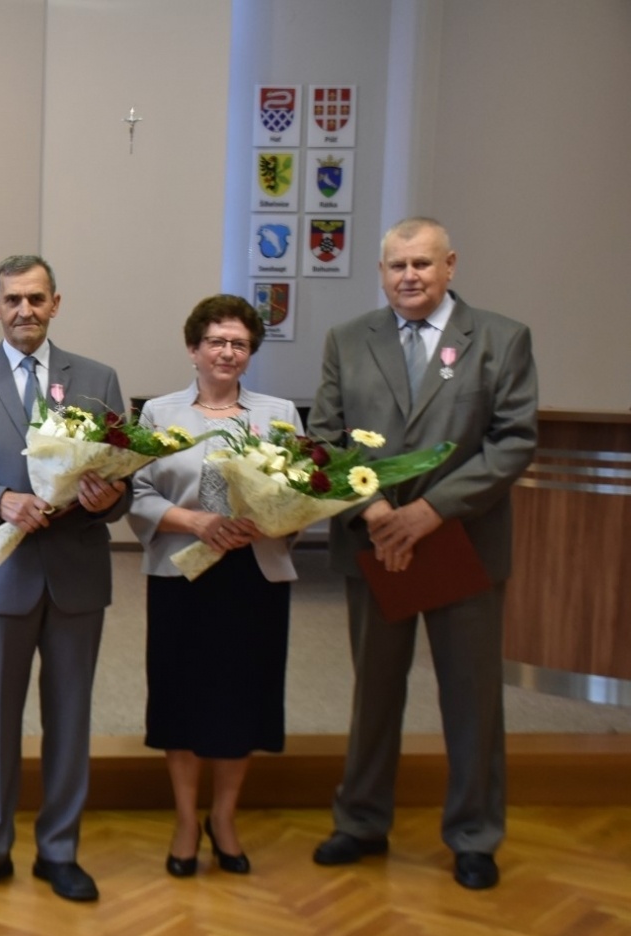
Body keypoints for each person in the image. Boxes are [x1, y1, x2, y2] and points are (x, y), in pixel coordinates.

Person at [309, 217, 538, 891]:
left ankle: (474, 834)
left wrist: (430, 510)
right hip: (376, 542)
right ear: (381, 272)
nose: (408, 275)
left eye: (422, 263)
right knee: (374, 693)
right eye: (396, 265)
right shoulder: (348, 341)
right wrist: (374, 509)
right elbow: (324, 438)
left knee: (471, 699)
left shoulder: (500, 339)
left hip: (460, 543)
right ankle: (361, 821)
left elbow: (513, 440)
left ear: (450, 266)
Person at [0, 254, 129, 903]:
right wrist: (0, 501)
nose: (25, 310)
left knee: (71, 717)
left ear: (56, 303)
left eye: (36, 299)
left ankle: (59, 849)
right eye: (13, 299)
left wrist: (110, 499)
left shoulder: (97, 378)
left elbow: (126, 479)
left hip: (77, 575)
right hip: (0, 575)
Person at [128, 294, 300, 877]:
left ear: (250, 353)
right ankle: (183, 819)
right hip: (181, 572)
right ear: (193, 349)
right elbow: (139, 494)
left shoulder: (278, 414)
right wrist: (198, 520)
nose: (227, 352)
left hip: (253, 574)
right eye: (217, 342)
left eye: (240, 344)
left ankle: (223, 817)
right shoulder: (158, 413)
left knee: (240, 698)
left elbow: (304, 489)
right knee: (182, 696)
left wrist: (272, 517)